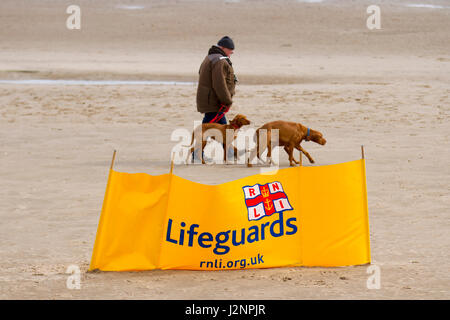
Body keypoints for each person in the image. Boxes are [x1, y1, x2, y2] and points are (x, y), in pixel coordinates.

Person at [196, 36, 238, 125]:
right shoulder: (219, 61)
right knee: (221, 132)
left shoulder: (210, 57)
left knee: (217, 131)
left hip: (211, 101)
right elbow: (219, 84)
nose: (232, 52)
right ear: (222, 48)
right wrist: (227, 101)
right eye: (230, 49)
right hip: (215, 103)